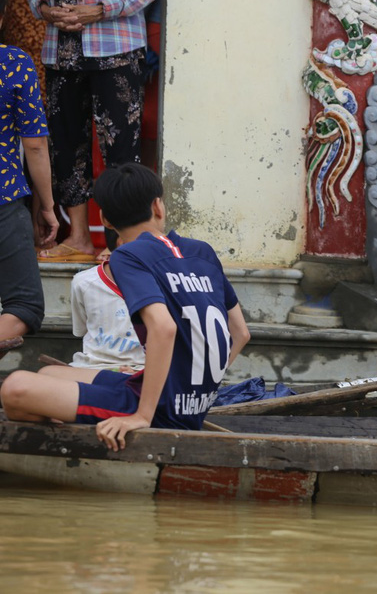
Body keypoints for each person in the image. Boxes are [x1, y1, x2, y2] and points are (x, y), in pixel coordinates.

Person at [1, 164, 251, 452]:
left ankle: (92, 422)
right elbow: (241, 333)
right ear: (158, 206)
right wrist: (200, 387)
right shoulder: (201, 251)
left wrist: (142, 415)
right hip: (185, 399)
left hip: (161, 410)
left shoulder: (128, 255)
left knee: (15, 387)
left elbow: (163, 326)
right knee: (49, 376)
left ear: (105, 219)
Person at [27, 0, 158, 261]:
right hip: (62, 54)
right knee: (66, 147)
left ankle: (125, 242)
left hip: (116, 51)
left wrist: (98, 10)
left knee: (121, 149)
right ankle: (80, 238)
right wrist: (46, 10)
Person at [0, 0, 59, 345]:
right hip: (3, 200)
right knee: (23, 305)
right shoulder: (14, 63)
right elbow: (35, 146)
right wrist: (48, 207)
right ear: (3, 15)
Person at [68, 234, 145, 372]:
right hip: (93, 368)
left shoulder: (166, 282)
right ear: (122, 242)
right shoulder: (84, 283)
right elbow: (82, 329)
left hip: (143, 370)